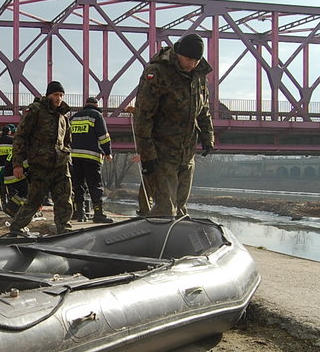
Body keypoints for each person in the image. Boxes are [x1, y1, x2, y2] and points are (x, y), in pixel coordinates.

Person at [132, 33, 215, 217]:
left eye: (196, 60)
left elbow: (203, 110)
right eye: (188, 59)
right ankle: (156, 243)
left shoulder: (199, 76)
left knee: (180, 208)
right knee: (165, 208)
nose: (191, 64)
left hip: (187, 153)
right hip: (162, 152)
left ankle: (177, 242)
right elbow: (143, 116)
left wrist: (208, 137)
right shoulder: (158, 72)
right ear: (178, 53)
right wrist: (146, 154)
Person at [7, 81, 73, 235]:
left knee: (64, 199)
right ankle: (16, 228)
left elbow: (67, 140)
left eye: (61, 95)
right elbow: (21, 137)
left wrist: (67, 155)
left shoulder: (63, 116)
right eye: (56, 95)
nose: (59, 98)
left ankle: (64, 229)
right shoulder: (36, 110)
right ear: (48, 95)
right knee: (34, 200)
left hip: (61, 165)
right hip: (40, 165)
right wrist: (17, 165)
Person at [70, 96, 113, 223]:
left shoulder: (73, 117)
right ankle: (98, 213)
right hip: (91, 158)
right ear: (96, 104)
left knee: (78, 186)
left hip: (74, 158)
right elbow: (103, 137)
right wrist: (108, 152)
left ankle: (79, 213)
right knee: (95, 186)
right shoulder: (97, 116)